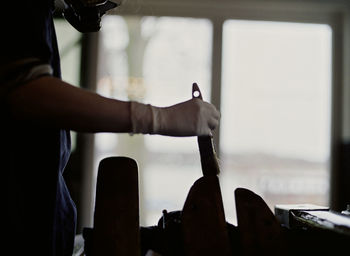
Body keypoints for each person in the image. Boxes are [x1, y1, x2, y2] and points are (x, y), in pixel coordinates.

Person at [1, 0, 220, 255]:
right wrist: (157, 118)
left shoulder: (41, 15)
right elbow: (28, 92)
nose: (106, 4)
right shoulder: (21, 9)